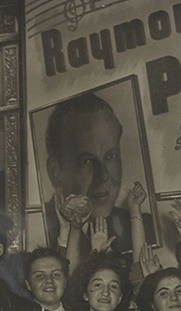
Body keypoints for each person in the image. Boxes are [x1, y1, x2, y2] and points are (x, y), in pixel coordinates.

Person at [43, 93, 142, 264]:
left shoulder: (139, 224)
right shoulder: (39, 230)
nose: (103, 176)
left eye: (111, 156)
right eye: (86, 161)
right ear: (55, 171)